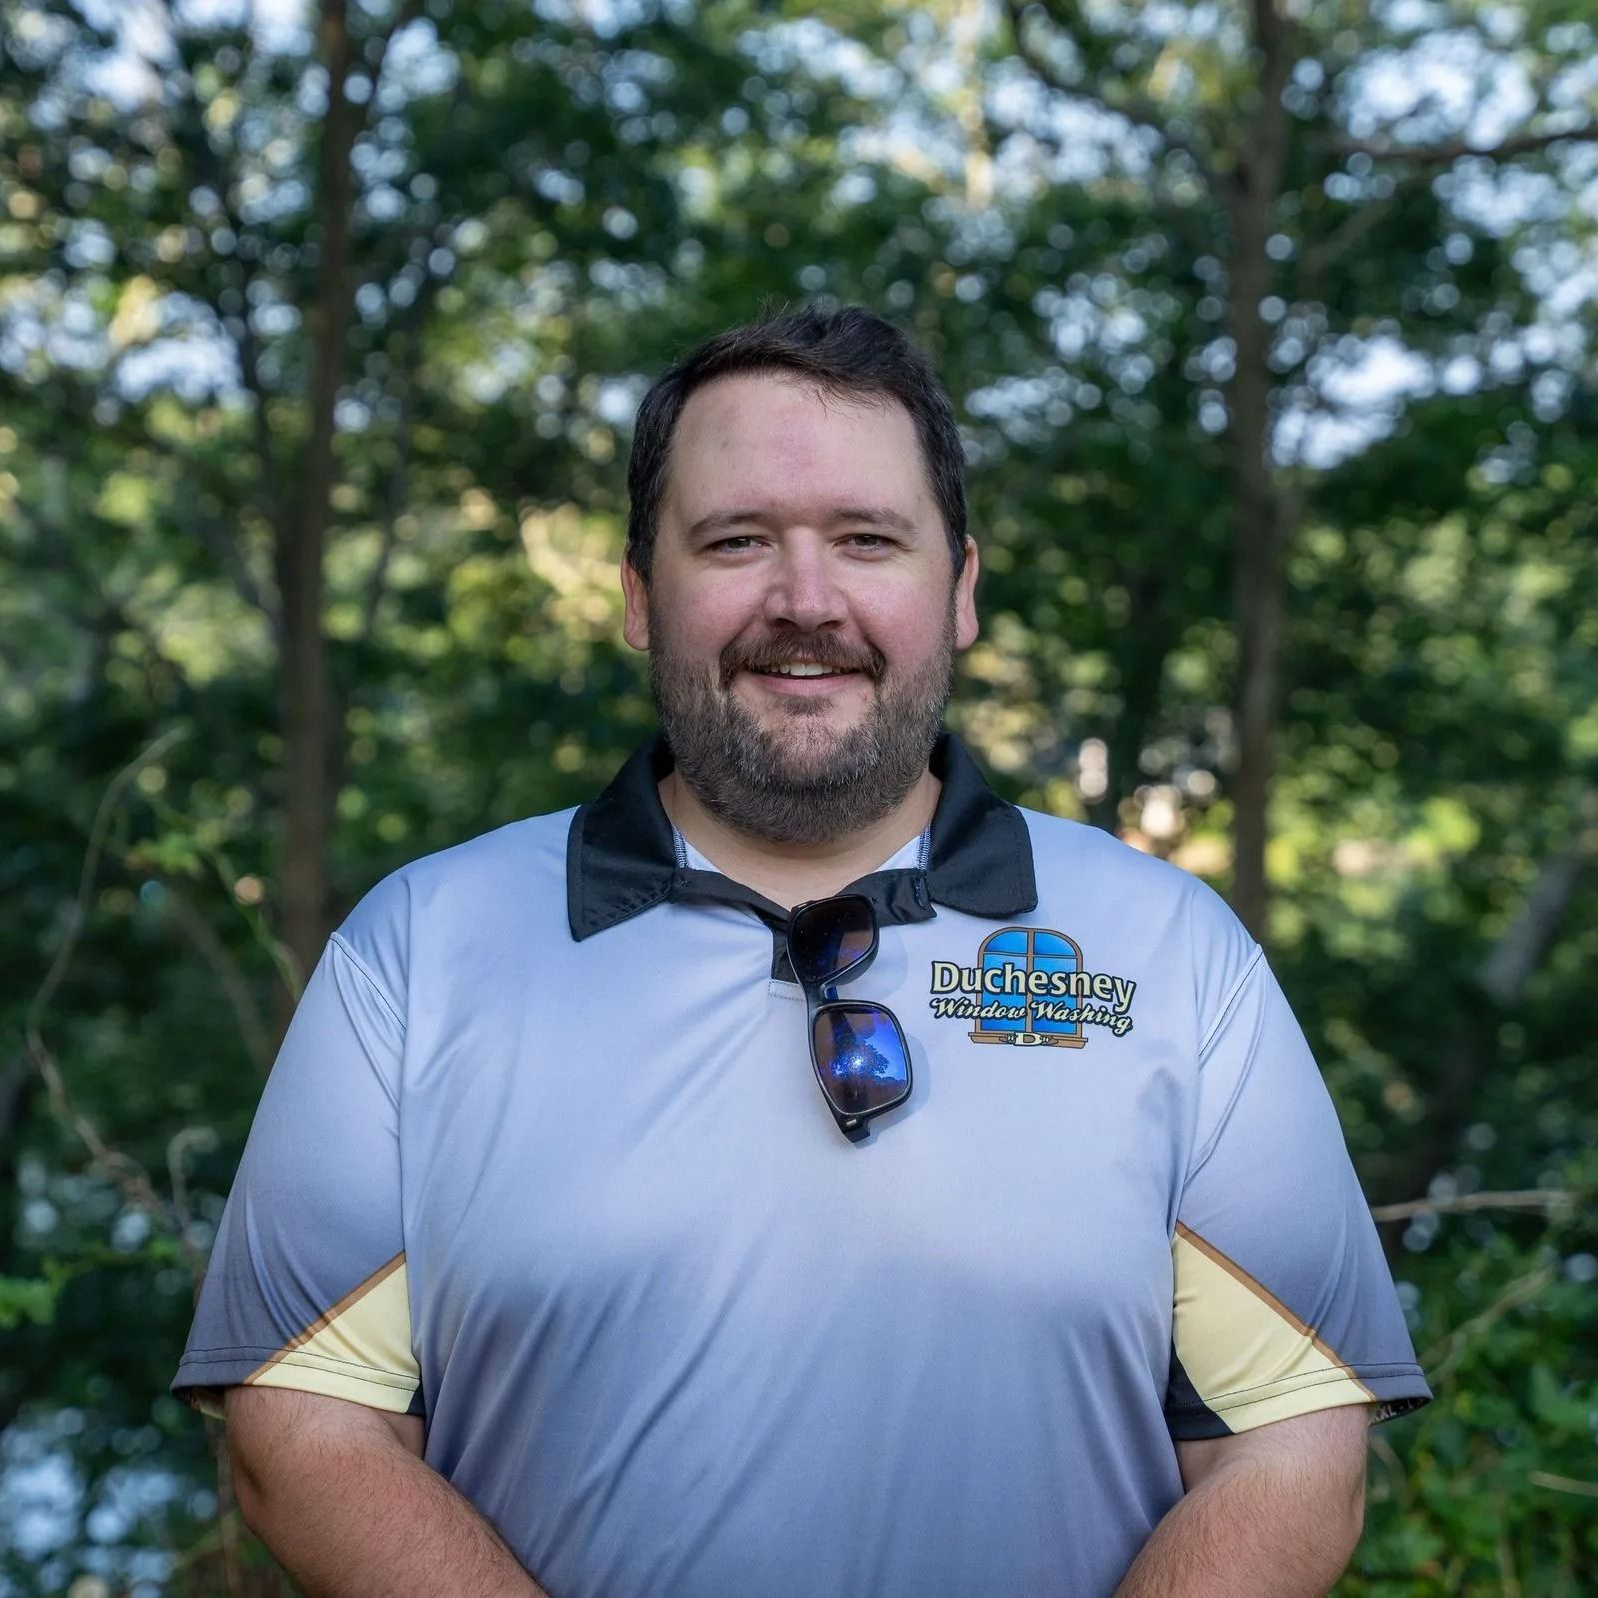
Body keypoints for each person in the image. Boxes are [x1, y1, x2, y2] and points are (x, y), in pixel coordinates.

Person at [174, 305, 1431, 1597]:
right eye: (735, 540)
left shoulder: (1173, 954)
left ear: (959, 589)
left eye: (865, 539)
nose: (804, 600)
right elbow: (304, 1429)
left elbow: (1290, 1447)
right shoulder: (419, 948)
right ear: (634, 593)